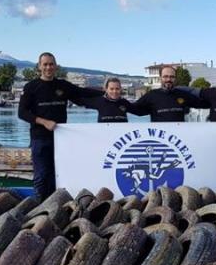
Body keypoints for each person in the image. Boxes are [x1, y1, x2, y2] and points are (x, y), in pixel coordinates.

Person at [18, 52, 103, 199]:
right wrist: (44, 122)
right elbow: (22, 113)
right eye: (45, 64)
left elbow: (82, 92)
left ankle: (55, 206)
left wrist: (105, 92)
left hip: (61, 138)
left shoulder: (62, 85)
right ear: (39, 66)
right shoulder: (31, 87)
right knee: (41, 175)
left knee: (58, 173)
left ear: (55, 66)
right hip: (40, 138)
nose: (48, 67)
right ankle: (40, 208)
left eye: (51, 64)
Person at [130, 66, 206, 122]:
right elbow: (133, 109)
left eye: (171, 77)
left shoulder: (183, 95)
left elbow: (202, 104)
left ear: (175, 78)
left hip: (179, 138)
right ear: (160, 78)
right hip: (160, 138)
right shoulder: (151, 95)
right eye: (165, 77)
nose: (169, 79)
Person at [73, 77, 144, 122]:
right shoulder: (99, 101)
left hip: (121, 142)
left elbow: (140, 112)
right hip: (104, 140)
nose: (115, 91)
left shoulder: (124, 103)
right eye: (111, 89)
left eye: (117, 89)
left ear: (120, 89)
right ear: (106, 89)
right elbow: (79, 101)